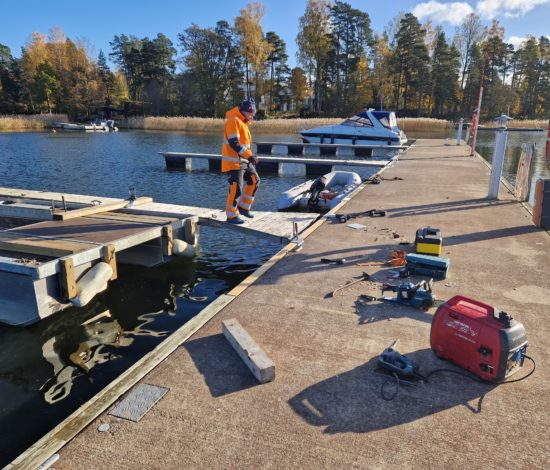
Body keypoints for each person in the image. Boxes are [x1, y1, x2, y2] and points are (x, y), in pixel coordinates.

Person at [221, 97, 260, 224]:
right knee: (236, 188)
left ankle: (243, 207)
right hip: (234, 162)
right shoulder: (233, 120)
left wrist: (250, 156)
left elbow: (243, 144)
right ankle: (231, 215)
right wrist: (250, 156)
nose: (252, 117)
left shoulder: (243, 122)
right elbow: (234, 143)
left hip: (244, 160)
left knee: (255, 180)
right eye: (251, 114)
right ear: (244, 111)